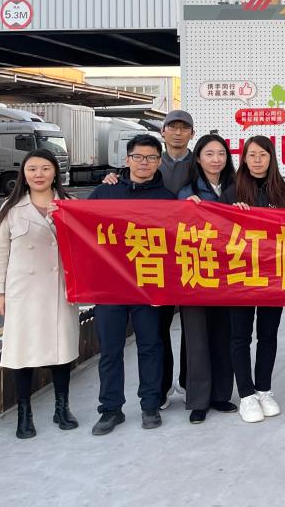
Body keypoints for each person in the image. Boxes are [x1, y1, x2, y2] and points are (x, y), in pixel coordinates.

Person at [103, 109, 195, 410]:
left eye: (184, 128)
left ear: (191, 133)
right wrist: (112, 178)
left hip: (185, 259)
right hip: (144, 266)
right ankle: (157, 391)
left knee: (190, 330)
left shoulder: (200, 164)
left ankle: (186, 385)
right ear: (163, 132)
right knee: (154, 332)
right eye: (172, 127)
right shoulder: (131, 172)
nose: (178, 132)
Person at [88, 134, 176, 435]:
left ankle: (150, 405)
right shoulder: (105, 192)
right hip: (110, 285)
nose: (144, 163)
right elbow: (81, 226)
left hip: (148, 285)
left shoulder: (167, 199)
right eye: (138, 157)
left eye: (151, 158)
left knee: (150, 346)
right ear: (127, 159)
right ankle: (110, 409)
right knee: (110, 350)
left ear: (159, 161)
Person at [0, 150, 79, 439]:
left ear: (55, 173)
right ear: (24, 174)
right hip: (23, 291)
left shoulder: (69, 204)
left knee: (61, 351)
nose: (38, 174)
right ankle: (24, 413)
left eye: (45, 168)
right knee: (22, 353)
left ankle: (62, 408)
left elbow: (85, 246)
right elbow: (0, 253)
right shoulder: (11, 208)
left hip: (60, 289)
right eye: (32, 169)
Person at [223, 136, 285, 423]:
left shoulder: (282, 191)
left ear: (271, 158)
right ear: (244, 159)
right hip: (241, 275)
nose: (257, 160)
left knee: (268, 334)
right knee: (240, 336)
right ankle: (247, 395)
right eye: (251, 155)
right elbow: (217, 230)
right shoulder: (232, 191)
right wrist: (234, 216)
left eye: (263, 154)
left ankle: (264, 389)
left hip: (272, 275)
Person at [176, 134, 238, 424]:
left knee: (224, 335)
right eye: (209, 154)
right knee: (197, 338)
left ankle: (221, 395)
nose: (216, 159)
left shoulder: (236, 188)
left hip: (229, 273)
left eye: (221, 154)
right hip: (196, 271)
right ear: (198, 158)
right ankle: (198, 400)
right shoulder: (186, 191)